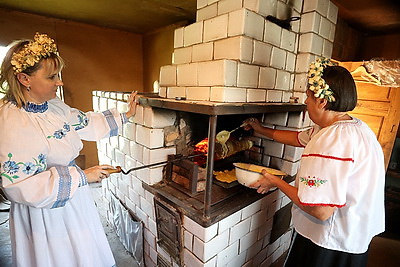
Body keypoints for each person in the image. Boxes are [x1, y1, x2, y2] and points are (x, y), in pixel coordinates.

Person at [0, 32, 138, 267]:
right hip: (44, 212)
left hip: (73, 197)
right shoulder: (12, 121)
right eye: (52, 77)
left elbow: (83, 122)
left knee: (84, 252)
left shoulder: (53, 107)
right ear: (25, 79)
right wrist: (83, 176)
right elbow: (18, 184)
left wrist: (126, 115)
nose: (59, 82)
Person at [245, 58, 385, 267]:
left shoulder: (330, 142)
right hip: (355, 236)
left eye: (308, 97)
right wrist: (260, 129)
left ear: (322, 101)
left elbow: (319, 210)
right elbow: (296, 138)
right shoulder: (355, 127)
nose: (306, 102)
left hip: (329, 242)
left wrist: (276, 181)